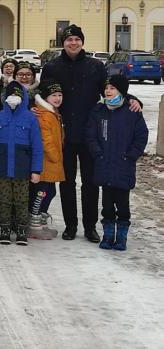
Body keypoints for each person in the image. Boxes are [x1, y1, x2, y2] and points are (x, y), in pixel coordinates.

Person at [41, 24, 141, 242]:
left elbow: (110, 89)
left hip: (91, 135)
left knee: (91, 182)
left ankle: (89, 226)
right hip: (64, 134)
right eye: (69, 40)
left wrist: (131, 98)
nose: (73, 43)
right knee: (66, 182)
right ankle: (70, 225)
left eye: (77, 39)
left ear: (82, 42)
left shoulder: (95, 66)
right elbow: (43, 94)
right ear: (63, 43)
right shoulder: (52, 67)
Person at [86, 75, 148, 251]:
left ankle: (121, 237)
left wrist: (131, 155)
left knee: (122, 205)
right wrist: (97, 153)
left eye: (112, 88)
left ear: (121, 91)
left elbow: (141, 136)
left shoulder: (132, 111)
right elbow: (90, 135)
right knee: (106, 205)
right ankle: (108, 235)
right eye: (106, 88)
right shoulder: (99, 110)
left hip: (123, 165)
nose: (108, 91)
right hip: (104, 164)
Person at [0, 81, 43, 245]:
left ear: (23, 97)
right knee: (4, 199)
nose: (14, 98)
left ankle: (21, 230)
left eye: (17, 94)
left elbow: (37, 146)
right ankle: (4, 228)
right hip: (3, 168)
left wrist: (36, 170)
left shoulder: (30, 118)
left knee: (21, 200)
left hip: (22, 169)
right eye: (11, 95)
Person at [29, 79, 66, 240]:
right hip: (45, 162)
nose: (57, 98)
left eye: (59, 95)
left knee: (50, 192)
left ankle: (41, 221)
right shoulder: (44, 114)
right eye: (53, 95)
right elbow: (46, 139)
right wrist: (55, 156)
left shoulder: (53, 113)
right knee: (42, 192)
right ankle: (33, 223)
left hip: (51, 162)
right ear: (45, 98)